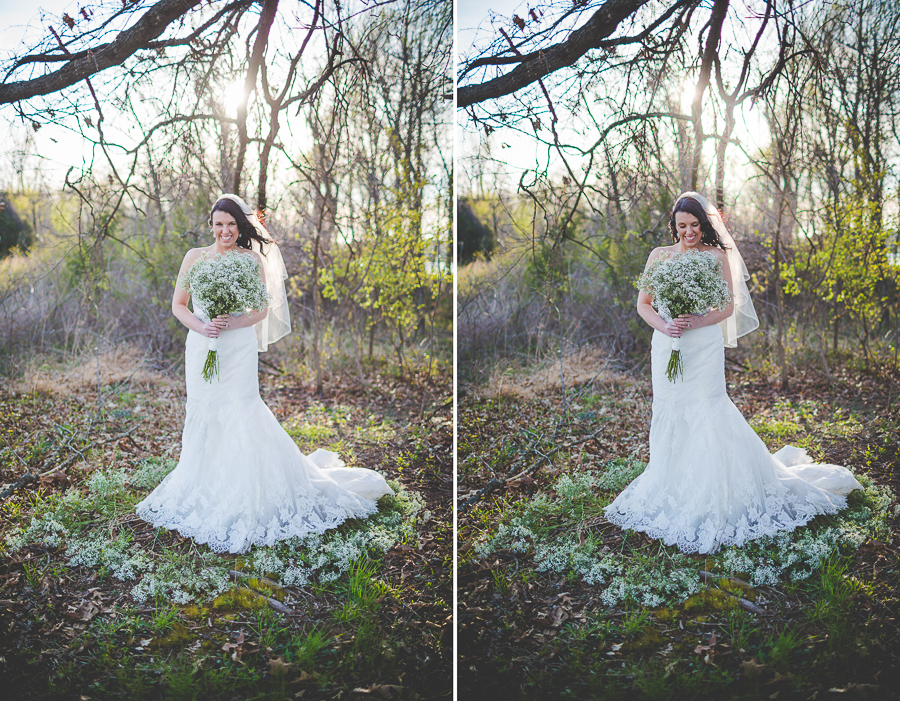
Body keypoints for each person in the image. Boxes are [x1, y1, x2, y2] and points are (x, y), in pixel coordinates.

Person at [603, 191, 862, 554]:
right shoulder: (659, 255)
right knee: (671, 410)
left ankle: (714, 490)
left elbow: (727, 307)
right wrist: (666, 326)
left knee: (708, 409)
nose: (689, 232)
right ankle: (671, 483)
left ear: (704, 224)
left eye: (695, 225)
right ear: (673, 225)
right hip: (667, 344)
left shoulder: (717, 256)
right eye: (682, 225)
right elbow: (643, 304)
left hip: (703, 344)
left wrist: (697, 320)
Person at [136, 194, 394, 554]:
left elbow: (260, 310)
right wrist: (203, 326)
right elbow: (178, 306)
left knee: (241, 411)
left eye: (231, 224)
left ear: (240, 226)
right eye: (219, 224)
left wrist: (232, 322)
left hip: (238, 346)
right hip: (201, 344)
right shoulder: (194, 257)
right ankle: (204, 485)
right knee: (205, 411)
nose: (225, 231)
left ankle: (245, 491)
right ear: (211, 226)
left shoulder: (251, 259)